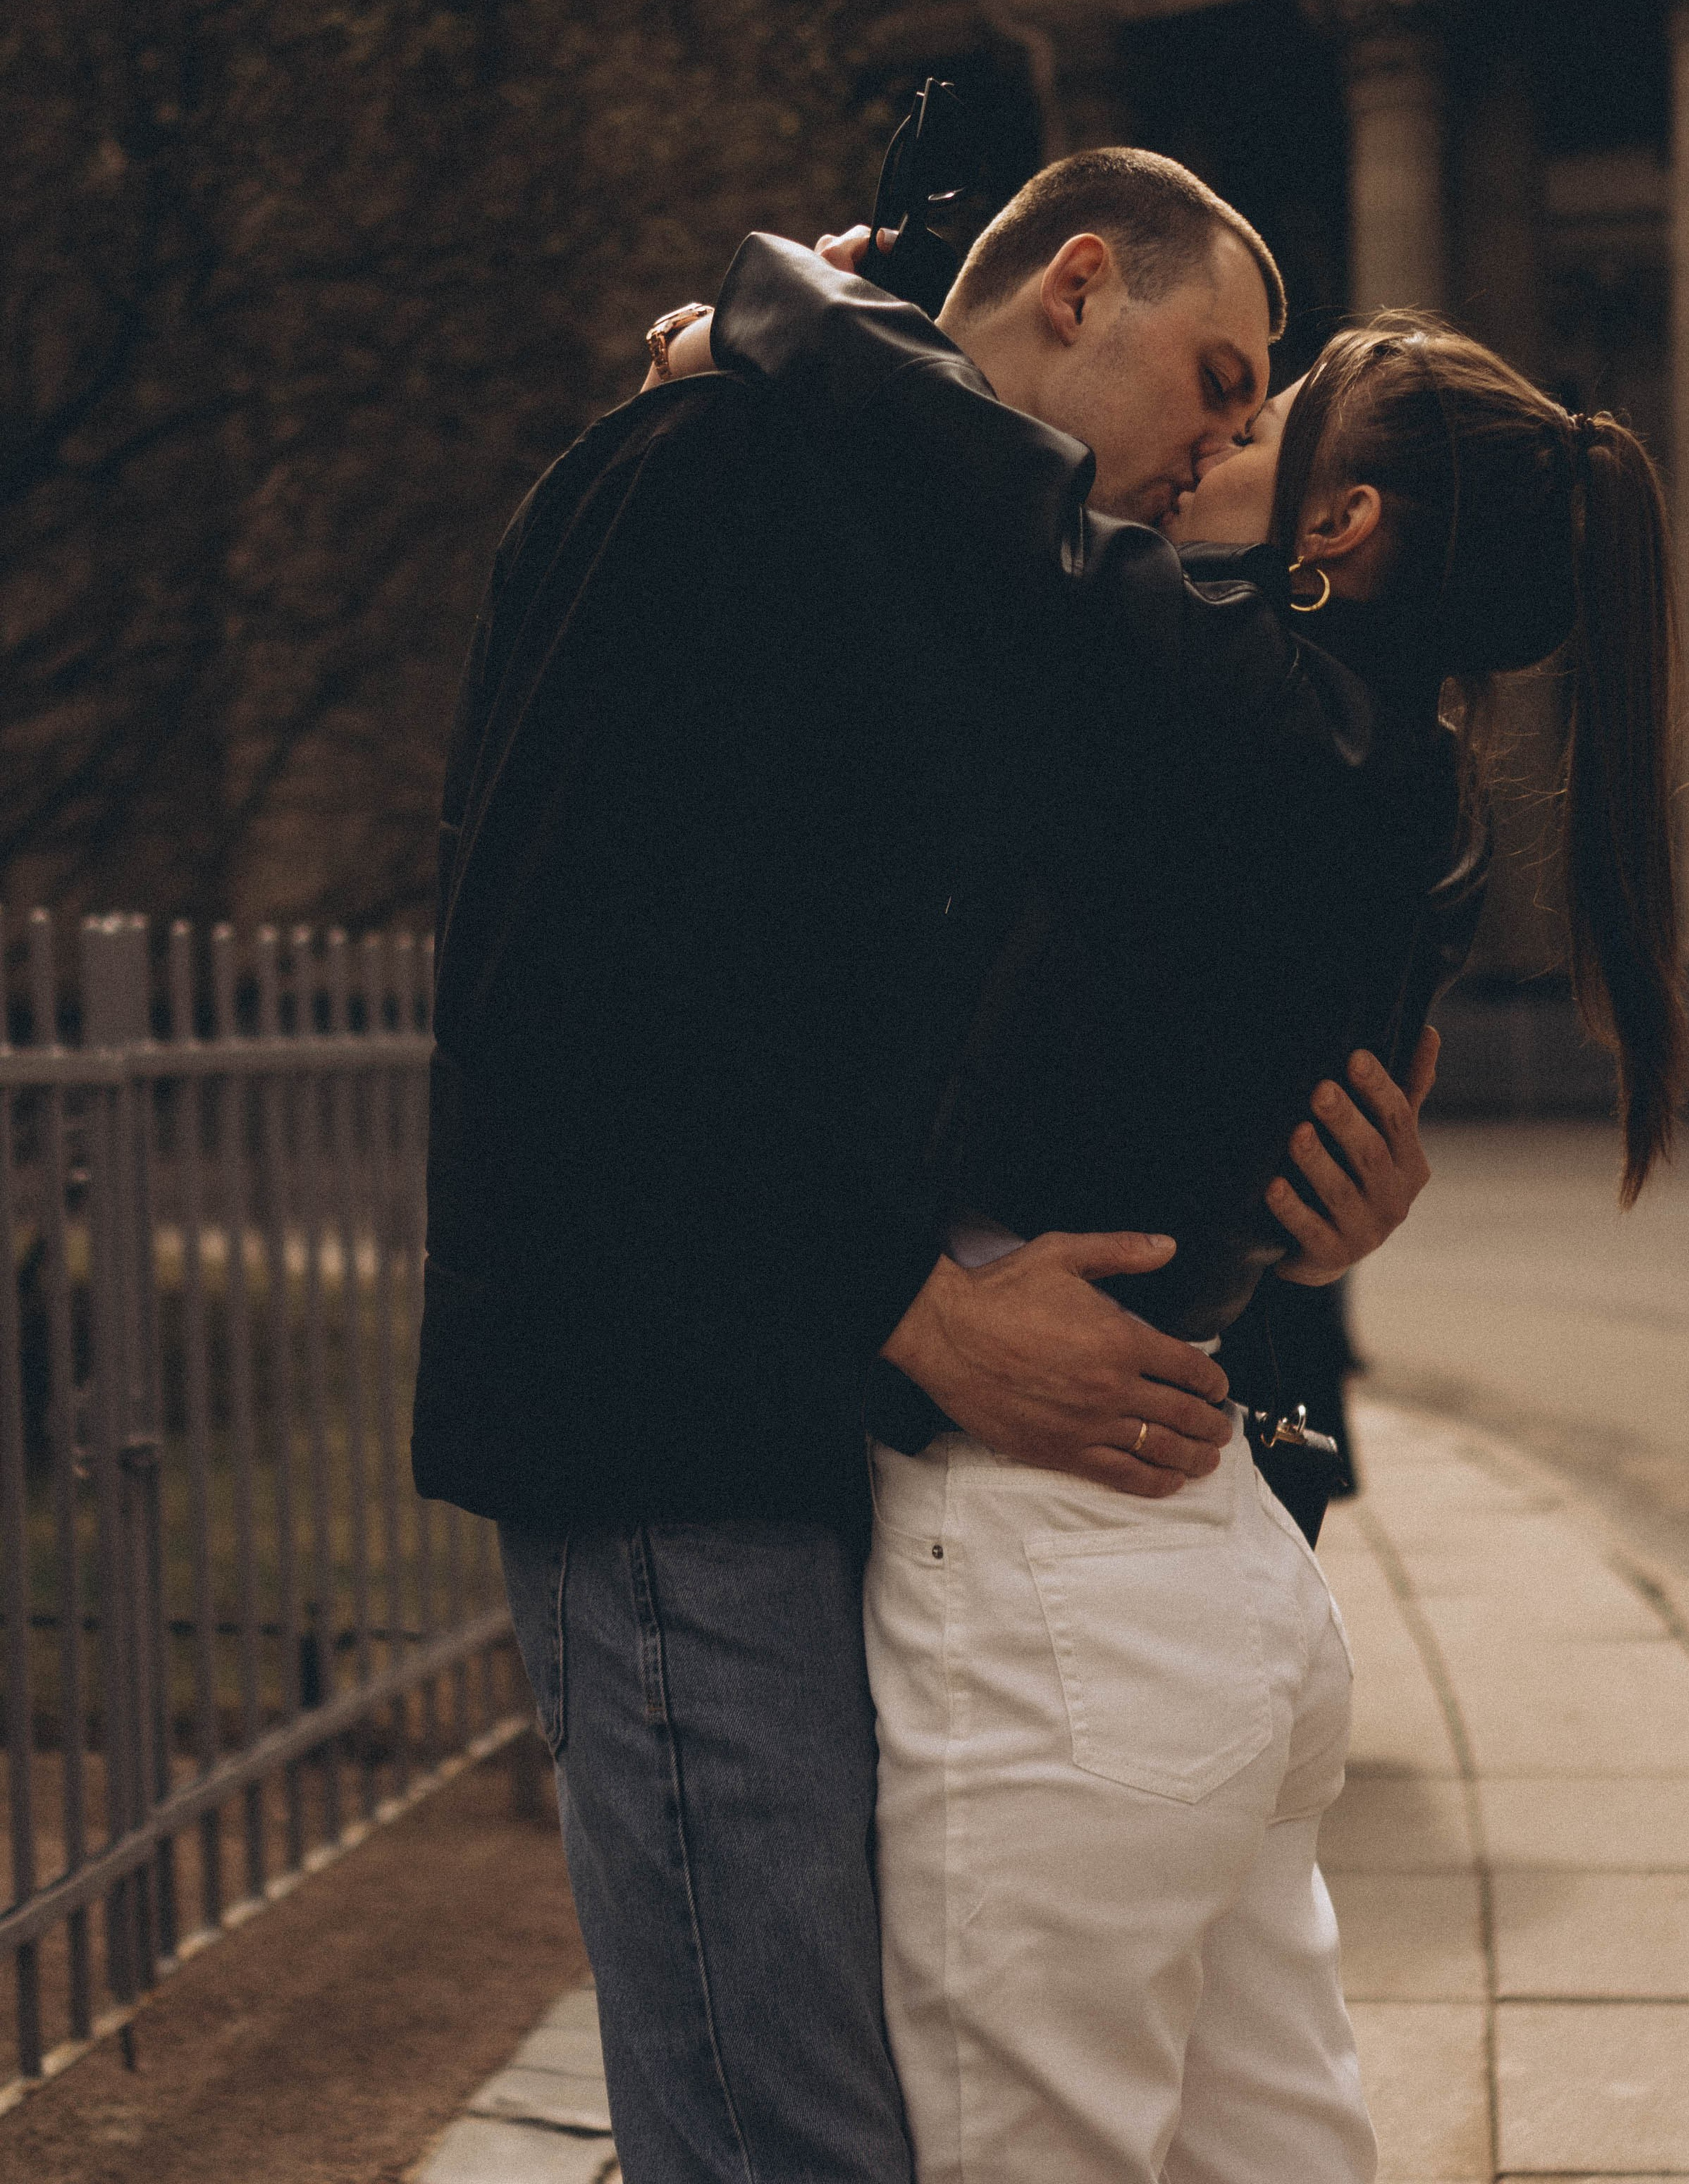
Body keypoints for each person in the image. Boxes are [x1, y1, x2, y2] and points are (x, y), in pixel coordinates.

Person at [411, 150, 1439, 2184]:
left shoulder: (932, 557)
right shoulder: (709, 474)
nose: (1230, 439)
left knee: (823, 2108)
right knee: (782, 2124)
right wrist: (908, 1311)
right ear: (1079, 290)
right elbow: (556, 1006)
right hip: (666, 1435)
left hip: (811, 1431)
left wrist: (1301, 1163)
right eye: (1220, 379)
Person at [652, 268, 1689, 2184]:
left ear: (1342, 526)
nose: (1223, 432)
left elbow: (991, 488)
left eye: (1273, 405)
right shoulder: (1412, 788)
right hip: (1203, 1571)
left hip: (1059, 1583)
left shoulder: (1251, 709)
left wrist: (768, 314)